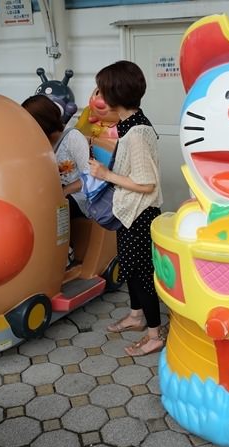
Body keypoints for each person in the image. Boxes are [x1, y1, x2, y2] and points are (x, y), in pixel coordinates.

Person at [89, 60, 164, 357]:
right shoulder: (131, 124)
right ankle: (135, 317)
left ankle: (154, 334)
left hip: (140, 215)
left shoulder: (137, 133)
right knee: (131, 270)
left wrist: (105, 175)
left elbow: (146, 184)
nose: (98, 96)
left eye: (101, 90)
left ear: (114, 94)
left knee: (142, 275)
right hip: (130, 214)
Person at [21, 94, 90, 220]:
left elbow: (90, 176)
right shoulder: (39, 141)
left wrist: (64, 191)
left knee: (47, 211)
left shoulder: (73, 137)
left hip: (78, 197)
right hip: (54, 195)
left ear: (41, 122)